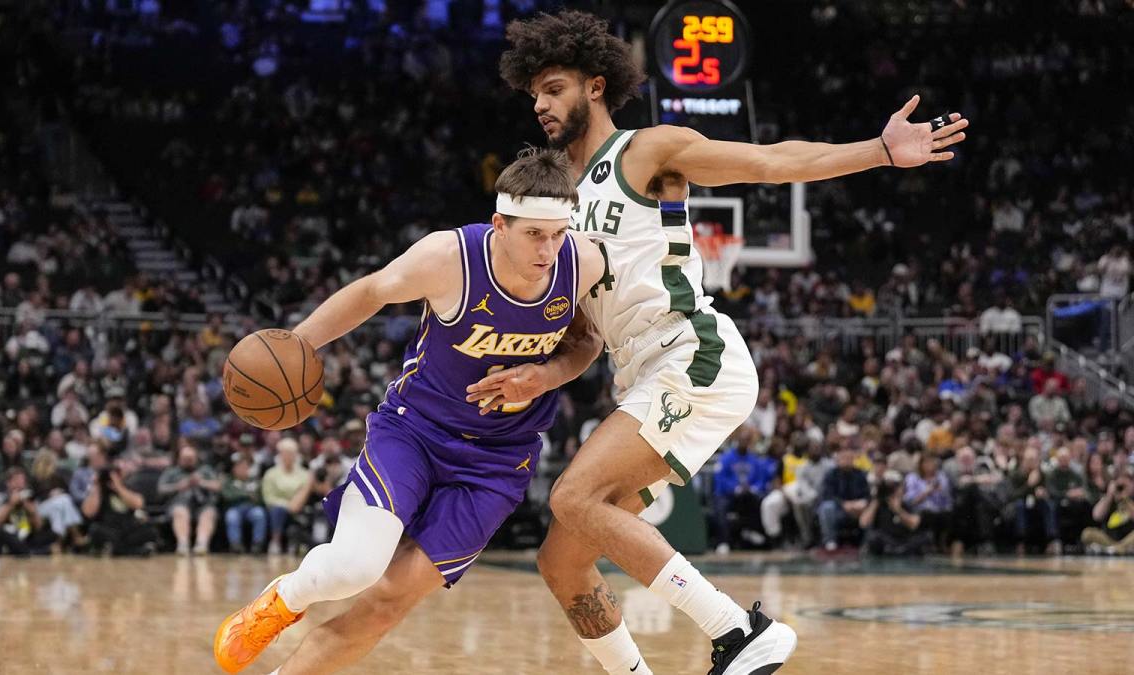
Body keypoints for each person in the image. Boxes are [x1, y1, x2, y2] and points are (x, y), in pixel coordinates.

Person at [490, 10, 967, 673]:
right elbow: (586, 338)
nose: (540, 104)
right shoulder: (556, 206)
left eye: (554, 87)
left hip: (694, 352)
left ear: (595, 85)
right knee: (561, 561)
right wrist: (542, 376)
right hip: (641, 371)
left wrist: (879, 150)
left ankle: (741, 630)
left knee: (572, 495)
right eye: (534, 93)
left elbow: (769, 164)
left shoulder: (645, 150)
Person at [213, 149, 605, 673]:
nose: (549, 249)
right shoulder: (450, 258)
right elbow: (374, 291)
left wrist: (547, 376)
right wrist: (298, 342)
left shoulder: (583, 262)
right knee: (355, 568)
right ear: (500, 224)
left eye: (558, 234)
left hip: (497, 462)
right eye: (534, 234)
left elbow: (587, 342)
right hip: (415, 434)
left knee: (389, 601)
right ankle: (284, 598)